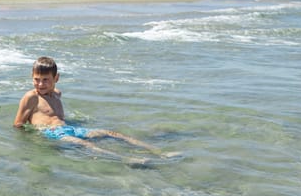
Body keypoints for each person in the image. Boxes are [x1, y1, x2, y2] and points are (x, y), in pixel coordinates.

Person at [14, 56, 178, 163]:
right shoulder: (31, 97)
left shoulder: (57, 94)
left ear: (56, 78)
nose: (40, 84)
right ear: (32, 77)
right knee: (85, 144)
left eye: (45, 80)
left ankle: (159, 152)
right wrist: (34, 141)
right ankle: (127, 159)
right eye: (37, 80)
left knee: (113, 133)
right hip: (51, 133)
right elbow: (18, 124)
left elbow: (55, 115)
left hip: (69, 129)